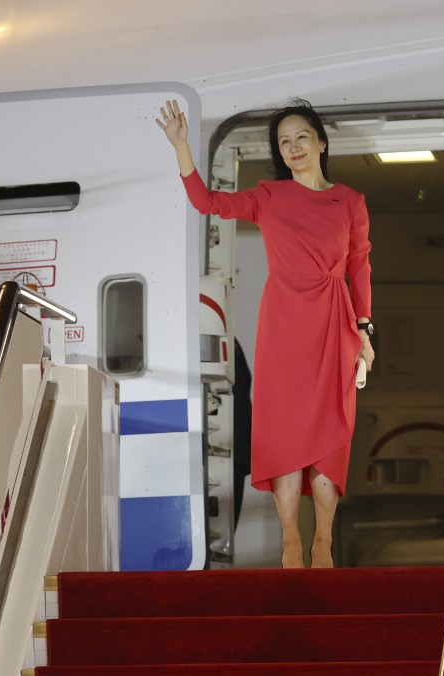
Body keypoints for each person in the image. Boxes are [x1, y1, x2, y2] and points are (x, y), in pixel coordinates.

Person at [157, 98, 374, 569]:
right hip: (283, 326)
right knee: (286, 433)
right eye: (284, 142)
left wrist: (365, 334)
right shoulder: (269, 196)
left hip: (335, 324)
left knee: (331, 433)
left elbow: (360, 267)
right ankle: (291, 538)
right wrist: (181, 149)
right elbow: (207, 202)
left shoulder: (350, 201)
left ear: (321, 141)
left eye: (301, 137)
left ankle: (324, 542)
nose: (293, 147)